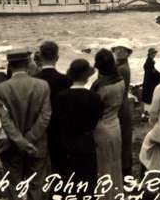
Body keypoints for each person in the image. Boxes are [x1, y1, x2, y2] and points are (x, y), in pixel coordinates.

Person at [0, 49, 51, 200]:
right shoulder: (43, 85)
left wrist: (21, 142)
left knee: (15, 188)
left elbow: (5, 121)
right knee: (36, 186)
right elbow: (45, 116)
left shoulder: (1, 89)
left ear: (10, 66)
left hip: (12, 146)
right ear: (28, 64)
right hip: (37, 145)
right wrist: (30, 140)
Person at [54, 59, 103, 198]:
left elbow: (58, 121)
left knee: (67, 182)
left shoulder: (61, 96)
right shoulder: (94, 97)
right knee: (88, 183)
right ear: (87, 77)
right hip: (86, 142)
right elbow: (95, 120)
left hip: (66, 143)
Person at [91, 49, 125, 200]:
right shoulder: (120, 80)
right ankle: (116, 194)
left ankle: (104, 196)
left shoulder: (101, 86)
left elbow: (93, 110)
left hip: (101, 128)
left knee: (102, 165)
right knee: (114, 163)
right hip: (115, 124)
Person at [34, 41, 72, 173]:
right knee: (61, 167)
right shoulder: (66, 80)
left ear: (41, 57)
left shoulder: (35, 80)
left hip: (40, 130)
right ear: (57, 57)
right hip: (62, 129)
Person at [111, 38, 133, 177]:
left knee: (123, 139)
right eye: (117, 49)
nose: (119, 51)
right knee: (124, 138)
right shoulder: (120, 65)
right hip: (123, 104)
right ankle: (125, 169)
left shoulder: (122, 68)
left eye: (122, 49)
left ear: (127, 52)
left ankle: (125, 170)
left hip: (120, 106)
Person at [141, 48, 160, 121]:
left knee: (147, 98)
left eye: (154, 53)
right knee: (149, 98)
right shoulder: (150, 62)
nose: (154, 54)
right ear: (150, 54)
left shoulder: (150, 61)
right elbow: (152, 73)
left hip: (148, 83)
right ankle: (146, 115)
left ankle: (146, 114)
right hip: (150, 83)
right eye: (153, 53)